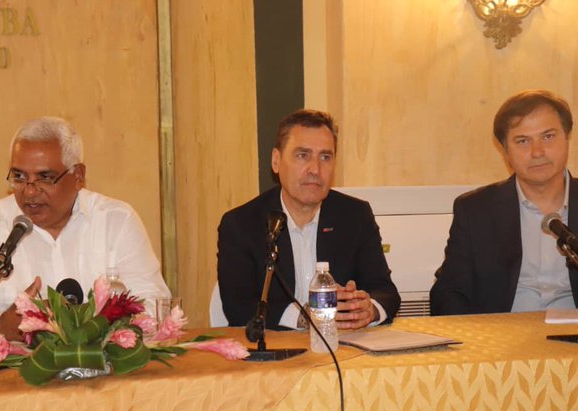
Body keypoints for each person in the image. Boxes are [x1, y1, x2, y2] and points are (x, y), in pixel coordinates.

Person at [0, 117, 170, 344]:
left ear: (78, 176)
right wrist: (1, 326)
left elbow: (154, 304)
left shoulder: (116, 221)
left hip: (106, 371)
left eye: (45, 178)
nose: (29, 191)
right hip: (13, 372)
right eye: (19, 177)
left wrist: (91, 326)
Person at [217, 109, 400, 330]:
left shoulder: (355, 216)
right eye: (302, 155)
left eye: (325, 157)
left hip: (342, 346)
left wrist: (369, 309)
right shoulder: (241, 224)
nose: (315, 169)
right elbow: (239, 307)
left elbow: (385, 291)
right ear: (276, 161)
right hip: (275, 347)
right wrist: (305, 317)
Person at [430, 89, 578, 315]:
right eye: (523, 141)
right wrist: (478, 334)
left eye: (548, 136)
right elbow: (449, 291)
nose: (537, 152)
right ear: (505, 150)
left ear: (567, 138)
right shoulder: (475, 210)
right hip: (504, 332)